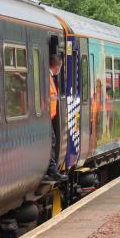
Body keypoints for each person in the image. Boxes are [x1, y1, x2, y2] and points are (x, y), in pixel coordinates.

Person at [46, 54, 68, 182]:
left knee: (52, 143)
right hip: (46, 119)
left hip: (49, 118)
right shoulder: (47, 78)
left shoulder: (49, 77)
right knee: (52, 143)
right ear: (57, 66)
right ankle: (52, 170)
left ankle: (52, 170)